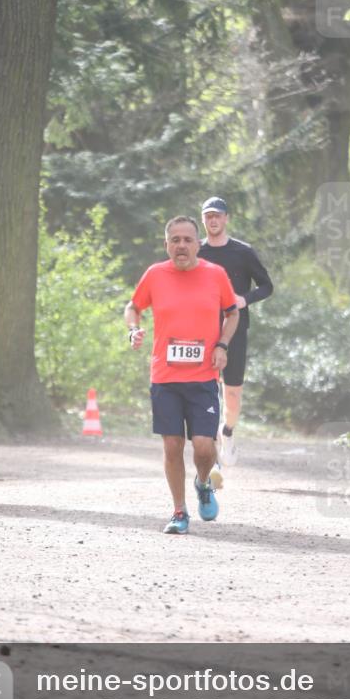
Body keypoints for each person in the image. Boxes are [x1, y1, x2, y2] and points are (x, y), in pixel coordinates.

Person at [125, 216, 239, 535]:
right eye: (175, 240)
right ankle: (179, 511)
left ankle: (202, 483)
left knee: (204, 447)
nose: (181, 245)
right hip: (165, 377)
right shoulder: (155, 274)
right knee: (172, 446)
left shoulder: (215, 275)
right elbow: (133, 307)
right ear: (166, 245)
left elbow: (233, 313)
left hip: (203, 378)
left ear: (198, 245)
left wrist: (222, 345)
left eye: (187, 239)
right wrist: (133, 330)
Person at [197, 196, 274, 467]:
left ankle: (227, 431)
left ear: (226, 218)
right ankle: (209, 446)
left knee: (232, 393)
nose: (213, 220)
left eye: (217, 215)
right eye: (208, 216)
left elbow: (267, 286)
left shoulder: (243, 252)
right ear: (203, 220)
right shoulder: (196, 251)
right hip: (201, 330)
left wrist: (244, 299)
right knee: (204, 389)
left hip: (236, 329)